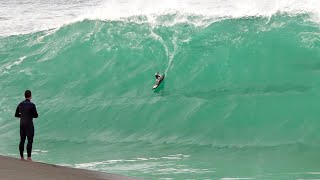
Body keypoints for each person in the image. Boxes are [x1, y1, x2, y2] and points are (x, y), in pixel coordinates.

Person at [15, 90, 38, 161]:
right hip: (29, 124)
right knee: (30, 140)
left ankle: (22, 157)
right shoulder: (32, 105)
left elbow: (16, 115)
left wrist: (22, 115)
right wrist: (29, 115)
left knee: (22, 140)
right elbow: (36, 115)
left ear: (25, 96)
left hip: (22, 123)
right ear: (30, 96)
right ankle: (29, 157)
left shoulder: (20, 104)